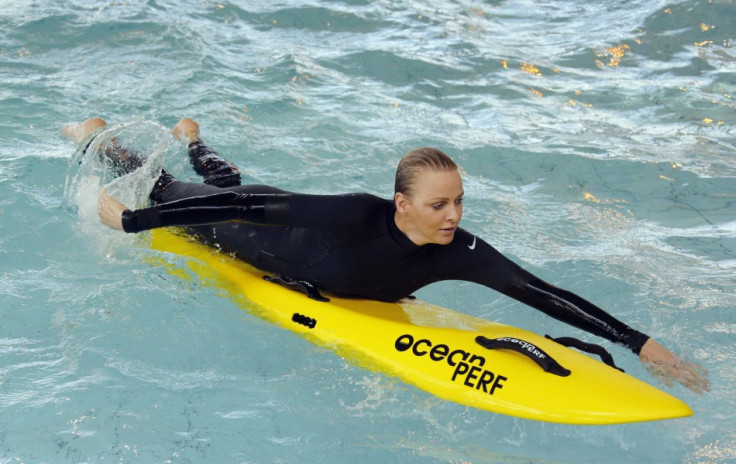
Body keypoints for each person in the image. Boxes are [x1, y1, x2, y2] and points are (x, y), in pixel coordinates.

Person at [63, 117, 710, 394]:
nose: (454, 216)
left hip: (288, 232)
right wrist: (136, 220)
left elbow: (541, 294)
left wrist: (638, 342)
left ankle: (196, 139)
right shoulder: (354, 211)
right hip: (259, 241)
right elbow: (247, 211)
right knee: (190, 189)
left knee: (232, 182)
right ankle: (104, 139)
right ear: (401, 205)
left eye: (458, 201)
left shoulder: (459, 250)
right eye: (439, 206)